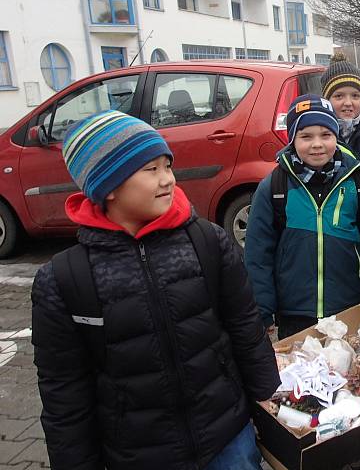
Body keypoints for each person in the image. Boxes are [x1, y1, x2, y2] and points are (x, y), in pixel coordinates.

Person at [31, 110, 280, 469]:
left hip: (227, 437)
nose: (168, 180)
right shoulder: (65, 279)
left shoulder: (207, 241)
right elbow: (64, 392)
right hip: (139, 453)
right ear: (108, 186)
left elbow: (245, 328)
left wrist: (268, 404)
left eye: (168, 166)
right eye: (151, 170)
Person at [244, 94, 360, 469]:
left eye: (325, 134)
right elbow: (258, 254)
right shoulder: (274, 186)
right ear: (292, 140)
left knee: (348, 380)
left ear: (337, 137)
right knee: (303, 387)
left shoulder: (355, 182)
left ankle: (352, 446)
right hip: (295, 309)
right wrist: (262, 309)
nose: (317, 143)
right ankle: (313, 450)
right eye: (306, 136)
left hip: (346, 305)